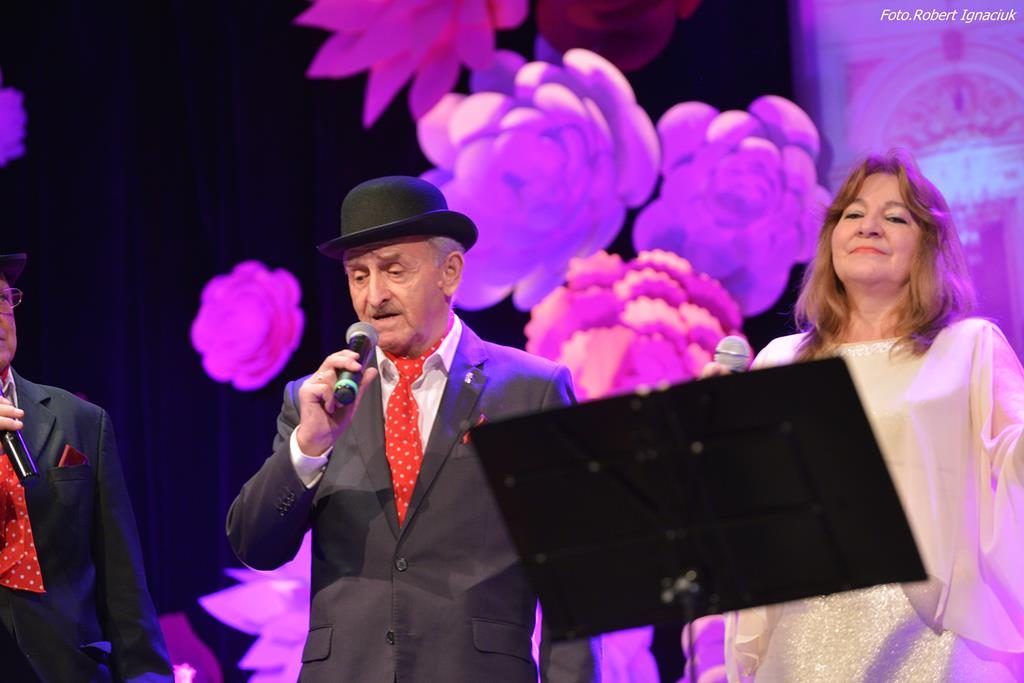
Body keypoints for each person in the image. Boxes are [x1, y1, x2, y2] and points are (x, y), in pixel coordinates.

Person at [227, 176, 597, 682]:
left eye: (394, 270)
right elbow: (257, 547)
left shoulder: (531, 389)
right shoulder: (316, 399)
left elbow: (571, 579)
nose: (374, 296)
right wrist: (308, 446)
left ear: (450, 272)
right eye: (358, 276)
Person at [705, 152, 1024, 681]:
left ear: (928, 246)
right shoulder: (780, 360)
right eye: (852, 213)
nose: (868, 226)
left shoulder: (968, 347)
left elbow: (1016, 464)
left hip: (934, 642)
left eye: (895, 217)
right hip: (802, 641)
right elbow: (749, 515)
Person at [0, 252, 173, 683]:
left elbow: (122, 577)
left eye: (1, 299)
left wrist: (147, 675)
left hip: (67, 666)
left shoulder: (78, 419)